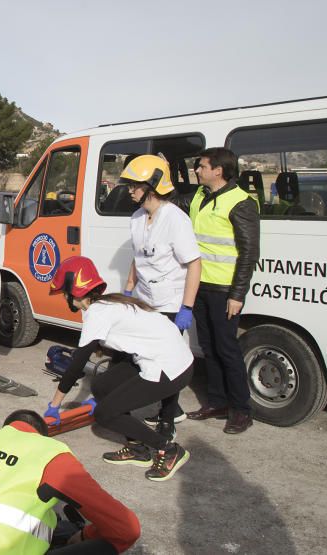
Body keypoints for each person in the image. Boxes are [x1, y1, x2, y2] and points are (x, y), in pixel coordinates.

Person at [43, 256, 194, 482]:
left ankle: (168, 449)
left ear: (73, 290)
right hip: (172, 359)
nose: (64, 296)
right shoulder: (107, 303)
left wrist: (54, 405)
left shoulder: (97, 313)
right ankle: (137, 448)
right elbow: (125, 350)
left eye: (64, 291)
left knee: (104, 413)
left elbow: (76, 365)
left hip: (170, 368)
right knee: (102, 386)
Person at [0, 409, 141, 554]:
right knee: (104, 545)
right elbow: (126, 528)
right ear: (41, 435)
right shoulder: (48, 453)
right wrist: (83, 536)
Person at [117, 155, 200, 441]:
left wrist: (186, 308)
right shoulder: (137, 218)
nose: (129, 190)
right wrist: (128, 290)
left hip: (171, 301)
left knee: (169, 362)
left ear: (152, 185)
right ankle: (168, 409)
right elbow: (138, 257)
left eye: (134, 185)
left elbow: (194, 264)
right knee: (142, 356)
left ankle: (168, 419)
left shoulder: (175, 219)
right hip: (145, 299)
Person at [179, 148, 260, 434]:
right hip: (200, 284)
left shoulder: (241, 202)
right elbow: (171, 202)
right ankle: (217, 402)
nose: (197, 171)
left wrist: (238, 295)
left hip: (225, 290)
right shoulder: (199, 196)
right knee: (209, 349)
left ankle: (241, 410)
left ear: (218, 171)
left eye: (201, 167)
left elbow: (249, 253)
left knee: (227, 350)